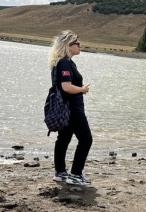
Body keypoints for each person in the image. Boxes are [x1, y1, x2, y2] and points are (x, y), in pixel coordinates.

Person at [48, 30, 92, 186]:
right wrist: (82, 89)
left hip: (64, 109)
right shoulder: (65, 63)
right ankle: (75, 174)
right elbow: (66, 87)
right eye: (77, 43)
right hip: (72, 109)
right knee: (86, 140)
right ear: (68, 45)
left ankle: (60, 173)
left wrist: (78, 89)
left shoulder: (61, 62)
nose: (80, 46)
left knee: (63, 139)